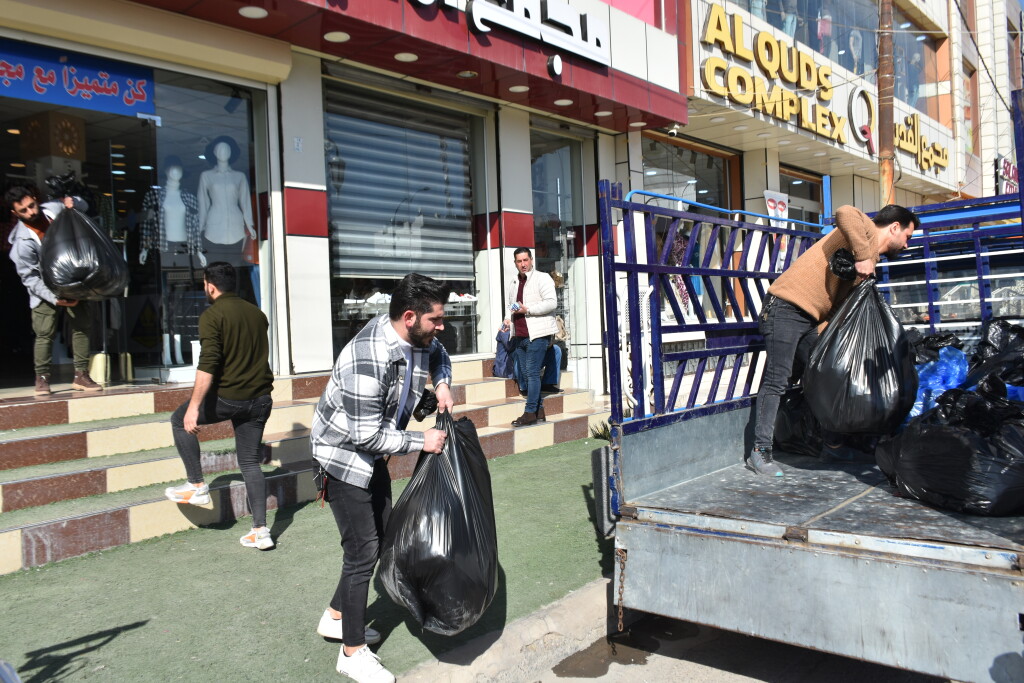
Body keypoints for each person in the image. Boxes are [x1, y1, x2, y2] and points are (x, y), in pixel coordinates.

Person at [310, 273, 454, 683]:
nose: (441, 326)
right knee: (361, 551)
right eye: (436, 320)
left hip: (372, 457)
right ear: (410, 317)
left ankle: (336, 617)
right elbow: (365, 435)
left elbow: (440, 353)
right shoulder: (367, 357)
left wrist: (441, 384)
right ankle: (352, 653)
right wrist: (421, 440)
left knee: (381, 537)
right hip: (342, 460)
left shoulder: (417, 339)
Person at [747, 204, 920, 477]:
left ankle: (833, 444)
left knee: (828, 375)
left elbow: (839, 306)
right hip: (784, 308)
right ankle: (760, 452)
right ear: (894, 227)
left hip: (811, 320)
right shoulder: (863, 228)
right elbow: (845, 212)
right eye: (908, 237)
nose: (907, 245)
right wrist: (864, 256)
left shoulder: (872, 261)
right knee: (777, 379)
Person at [163, 262, 275, 550]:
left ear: (210, 285)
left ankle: (197, 485)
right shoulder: (257, 314)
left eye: (204, 284)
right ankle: (260, 531)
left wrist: (194, 407)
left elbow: (208, 363)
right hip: (261, 399)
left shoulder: (212, 315)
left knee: (178, 420)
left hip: (230, 398)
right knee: (250, 463)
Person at [5, 185, 101, 395]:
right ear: (15, 213)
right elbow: (29, 279)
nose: (31, 212)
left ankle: (81, 375)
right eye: (24, 210)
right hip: (44, 288)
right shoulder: (21, 244)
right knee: (44, 333)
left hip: (72, 277)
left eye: (32, 205)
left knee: (81, 326)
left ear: (35, 199)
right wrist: (54, 298)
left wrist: (72, 202)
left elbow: (84, 206)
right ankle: (42, 378)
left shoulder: (52, 209)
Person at [503, 247, 558, 427]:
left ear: (531, 260)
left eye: (526, 260)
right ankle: (539, 411)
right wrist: (507, 320)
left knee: (532, 373)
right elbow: (511, 306)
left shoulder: (542, 278)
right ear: (515, 263)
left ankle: (529, 413)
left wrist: (528, 310)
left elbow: (551, 303)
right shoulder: (513, 282)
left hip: (537, 334)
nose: (523, 264)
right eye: (519, 261)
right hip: (519, 334)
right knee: (526, 375)